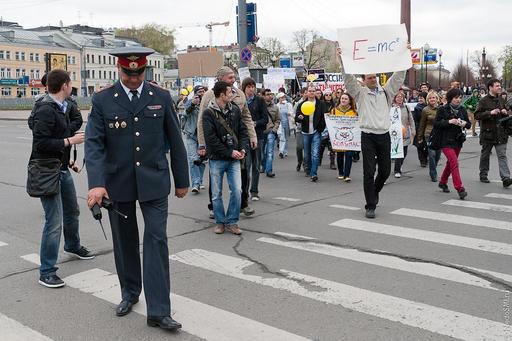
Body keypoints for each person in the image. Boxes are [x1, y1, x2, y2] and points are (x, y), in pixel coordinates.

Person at [85, 47, 188, 331]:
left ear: (145, 70)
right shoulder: (104, 99)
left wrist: (182, 179)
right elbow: (94, 144)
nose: (133, 78)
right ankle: (130, 293)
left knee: (156, 241)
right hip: (118, 184)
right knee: (125, 242)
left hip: (154, 182)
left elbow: (175, 140)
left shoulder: (161, 97)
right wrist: (96, 183)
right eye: (128, 73)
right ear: (119, 70)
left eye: (138, 72)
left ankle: (159, 310)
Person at [28, 69, 93, 288]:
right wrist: (69, 141)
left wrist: (68, 148)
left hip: (61, 167)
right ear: (64, 85)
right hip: (47, 170)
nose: (71, 87)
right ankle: (46, 271)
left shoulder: (62, 106)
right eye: (69, 83)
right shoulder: (46, 108)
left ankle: (73, 245)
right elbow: (41, 143)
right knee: (53, 221)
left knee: (72, 210)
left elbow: (63, 128)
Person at [338, 45, 407, 218]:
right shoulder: (359, 93)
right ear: (363, 80)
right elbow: (347, 78)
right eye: (369, 78)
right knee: (369, 172)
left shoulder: (386, 92)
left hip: (384, 136)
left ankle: (374, 191)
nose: (373, 80)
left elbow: (398, 77)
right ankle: (370, 205)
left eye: (374, 77)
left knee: (384, 171)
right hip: (367, 136)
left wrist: (404, 55)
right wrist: (341, 59)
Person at [197, 66, 257, 217]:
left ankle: (243, 204)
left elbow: (246, 117)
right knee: (215, 179)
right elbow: (201, 121)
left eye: (234, 77)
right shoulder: (209, 95)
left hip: (237, 143)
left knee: (243, 175)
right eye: (230, 77)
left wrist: (252, 136)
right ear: (221, 79)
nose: (234, 80)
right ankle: (214, 208)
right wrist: (202, 144)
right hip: (217, 144)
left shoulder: (240, 94)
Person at [203, 81, 249, 235]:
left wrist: (242, 148)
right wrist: (230, 152)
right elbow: (211, 140)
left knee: (237, 190)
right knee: (216, 194)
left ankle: (232, 221)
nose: (233, 94)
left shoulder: (235, 109)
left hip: (234, 158)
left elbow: (243, 131)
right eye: (230, 92)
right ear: (222, 95)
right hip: (217, 158)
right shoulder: (208, 113)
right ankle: (220, 222)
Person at [474, 79, 512, 187]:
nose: (500, 87)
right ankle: (483, 174)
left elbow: (507, 113)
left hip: (501, 132)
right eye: (497, 86)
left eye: (500, 86)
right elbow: (477, 115)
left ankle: (505, 178)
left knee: (502, 156)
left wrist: (505, 112)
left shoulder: (501, 100)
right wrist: (490, 112)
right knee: (485, 155)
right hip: (488, 132)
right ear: (490, 87)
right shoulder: (483, 101)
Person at [435, 88, 471, 199]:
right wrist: (449, 121)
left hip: (457, 140)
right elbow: (436, 124)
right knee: (454, 163)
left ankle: (443, 182)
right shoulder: (442, 109)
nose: (458, 100)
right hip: (445, 141)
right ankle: (460, 188)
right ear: (450, 98)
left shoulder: (462, 109)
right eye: (456, 98)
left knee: (450, 163)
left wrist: (463, 123)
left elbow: (469, 125)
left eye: (460, 98)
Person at [242, 77, 268, 201]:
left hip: (258, 136)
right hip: (244, 137)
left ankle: (254, 191)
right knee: (246, 165)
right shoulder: (241, 100)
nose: (251, 89)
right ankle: (245, 191)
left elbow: (265, 119)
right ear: (244, 88)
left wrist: (255, 123)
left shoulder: (260, 101)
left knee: (256, 164)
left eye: (253, 86)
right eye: (249, 87)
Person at [295, 84, 327, 182]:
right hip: (305, 132)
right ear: (307, 92)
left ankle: (314, 173)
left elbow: (324, 117)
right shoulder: (301, 104)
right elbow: (296, 117)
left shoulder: (321, 104)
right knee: (307, 153)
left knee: (315, 153)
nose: (311, 93)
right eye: (310, 91)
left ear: (316, 92)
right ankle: (308, 169)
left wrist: (320, 129)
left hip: (316, 131)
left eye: (313, 91)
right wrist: (300, 118)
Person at [183, 85, 206, 193]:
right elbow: (185, 113)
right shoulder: (190, 102)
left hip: (203, 136)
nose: (202, 93)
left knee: (202, 160)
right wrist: (193, 104)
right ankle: (195, 184)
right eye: (199, 91)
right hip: (191, 135)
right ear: (195, 93)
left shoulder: (207, 103)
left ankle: (200, 181)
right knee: (193, 159)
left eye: (203, 91)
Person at [329, 93, 358, 182]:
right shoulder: (334, 110)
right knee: (340, 155)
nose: (343, 100)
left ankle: (347, 175)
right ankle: (341, 172)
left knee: (349, 155)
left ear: (349, 100)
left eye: (346, 99)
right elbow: (330, 123)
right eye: (342, 98)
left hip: (350, 138)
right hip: (338, 137)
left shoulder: (354, 112)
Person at [417, 91, 442, 182]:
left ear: (437, 99)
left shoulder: (441, 109)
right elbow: (422, 124)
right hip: (428, 134)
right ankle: (433, 174)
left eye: (434, 98)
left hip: (439, 134)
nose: (432, 99)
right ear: (428, 100)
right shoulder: (425, 110)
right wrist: (419, 137)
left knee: (438, 155)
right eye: (430, 98)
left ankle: (433, 167)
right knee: (432, 154)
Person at [393, 92, 416, 178]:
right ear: (395, 98)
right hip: (395, 134)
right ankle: (397, 170)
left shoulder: (406, 107)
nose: (399, 99)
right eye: (398, 97)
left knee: (404, 152)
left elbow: (411, 119)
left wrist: (413, 130)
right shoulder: (391, 107)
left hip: (405, 133)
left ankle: (399, 165)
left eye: (401, 97)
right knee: (398, 152)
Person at [262, 89, 280, 177]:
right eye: (267, 94)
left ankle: (269, 170)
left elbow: (277, 120)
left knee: (269, 152)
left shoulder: (275, 107)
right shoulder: (259, 106)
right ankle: (263, 165)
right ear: (263, 96)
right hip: (261, 132)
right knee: (262, 152)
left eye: (271, 94)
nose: (270, 96)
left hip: (270, 132)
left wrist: (274, 129)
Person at [319, 89, 337, 169]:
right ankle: (319, 160)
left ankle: (332, 162)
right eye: (326, 95)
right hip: (323, 127)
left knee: (331, 146)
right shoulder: (321, 104)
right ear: (324, 95)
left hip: (332, 127)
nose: (328, 96)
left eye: (330, 95)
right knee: (322, 145)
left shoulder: (334, 104)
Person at [293, 88, 308, 172]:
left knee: (306, 147)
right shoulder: (298, 103)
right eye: (305, 93)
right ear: (302, 94)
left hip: (308, 128)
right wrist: (297, 119)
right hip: (299, 128)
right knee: (299, 147)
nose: (306, 94)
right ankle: (300, 161)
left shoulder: (312, 103)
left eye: (307, 92)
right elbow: (294, 114)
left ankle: (305, 164)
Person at [412, 92, 428, 167]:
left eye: (422, 98)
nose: (420, 99)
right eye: (419, 98)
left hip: (427, 128)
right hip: (419, 128)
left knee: (427, 145)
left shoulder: (429, 107)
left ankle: (426, 158)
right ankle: (422, 160)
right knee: (420, 145)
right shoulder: (417, 108)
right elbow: (415, 119)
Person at [276, 92, 293, 159]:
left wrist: (289, 113)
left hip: (288, 124)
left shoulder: (288, 105)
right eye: (281, 97)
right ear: (279, 98)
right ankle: (281, 151)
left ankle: (285, 152)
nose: (283, 99)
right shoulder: (277, 106)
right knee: (282, 138)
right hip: (280, 124)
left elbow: (292, 113)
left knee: (286, 138)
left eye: (284, 97)